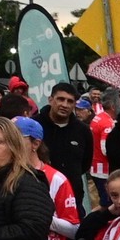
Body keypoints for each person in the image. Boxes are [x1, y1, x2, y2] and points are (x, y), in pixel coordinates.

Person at [37, 82, 95, 216]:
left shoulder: (83, 131)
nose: (65, 105)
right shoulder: (36, 126)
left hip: (72, 199)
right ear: (50, 100)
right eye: (60, 99)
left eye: (70, 101)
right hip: (40, 196)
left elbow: (85, 164)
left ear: (75, 104)